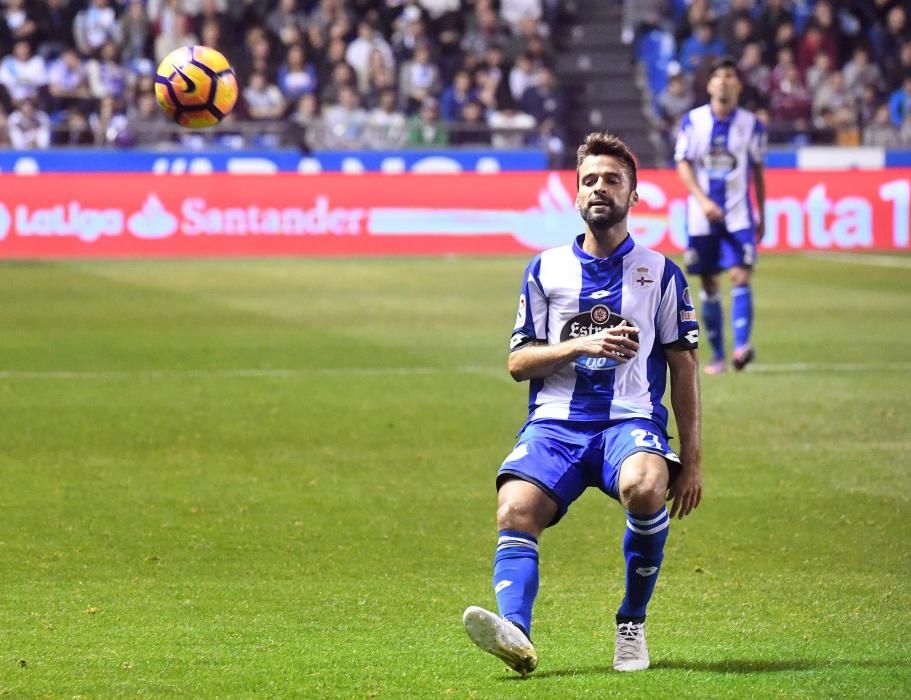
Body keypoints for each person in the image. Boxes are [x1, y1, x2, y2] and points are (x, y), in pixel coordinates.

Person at [462, 132, 703, 676]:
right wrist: (579, 345)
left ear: (633, 195)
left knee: (645, 487)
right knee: (513, 510)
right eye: (589, 180)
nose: (600, 188)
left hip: (630, 422)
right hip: (556, 426)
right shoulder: (545, 270)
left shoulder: (660, 273)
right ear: (575, 196)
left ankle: (631, 622)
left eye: (612, 180)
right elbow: (517, 362)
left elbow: (684, 367)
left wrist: (693, 459)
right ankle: (516, 636)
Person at [675, 57, 766, 375]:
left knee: (741, 275)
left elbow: (756, 169)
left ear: (738, 84)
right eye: (719, 76)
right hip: (702, 216)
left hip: (739, 214)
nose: (725, 81)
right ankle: (717, 357)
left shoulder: (752, 124)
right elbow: (683, 162)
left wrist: (762, 213)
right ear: (710, 84)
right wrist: (702, 200)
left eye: (731, 76)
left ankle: (741, 347)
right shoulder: (693, 121)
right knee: (710, 282)